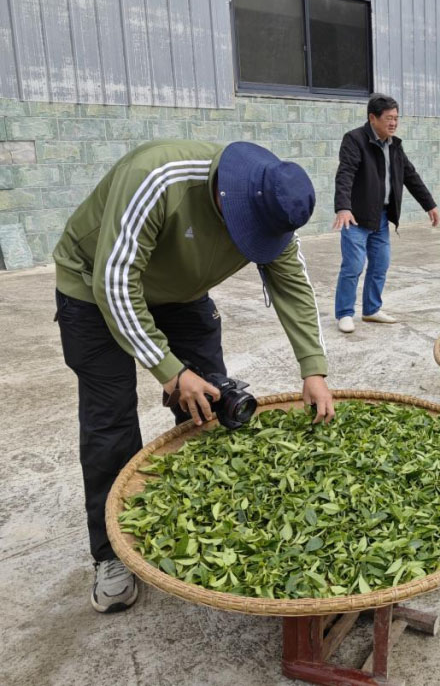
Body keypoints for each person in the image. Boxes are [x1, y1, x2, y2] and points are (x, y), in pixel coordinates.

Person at [53, 139, 334, 613]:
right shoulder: (159, 179)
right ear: (230, 200)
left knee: (213, 405)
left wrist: (314, 368)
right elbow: (115, 282)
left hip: (182, 294)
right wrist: (169, 370)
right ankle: (111, 554)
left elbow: (294, 285)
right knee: (111, 421)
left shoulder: (273, 206)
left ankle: (208, 518)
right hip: (93, 286)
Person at [333, 94, 439, 332]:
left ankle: (371, 310)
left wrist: (429, 205)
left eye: (396, 118)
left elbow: (411, 176)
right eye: (389, 118)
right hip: (356, 217)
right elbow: (345, 174)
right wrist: (343, 207)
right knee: (353, 265)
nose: (394, 123)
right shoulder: (355, 140)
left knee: (380, 264)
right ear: (373, 118)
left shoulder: (395, 146)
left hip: (380, 217)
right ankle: (344, 313)